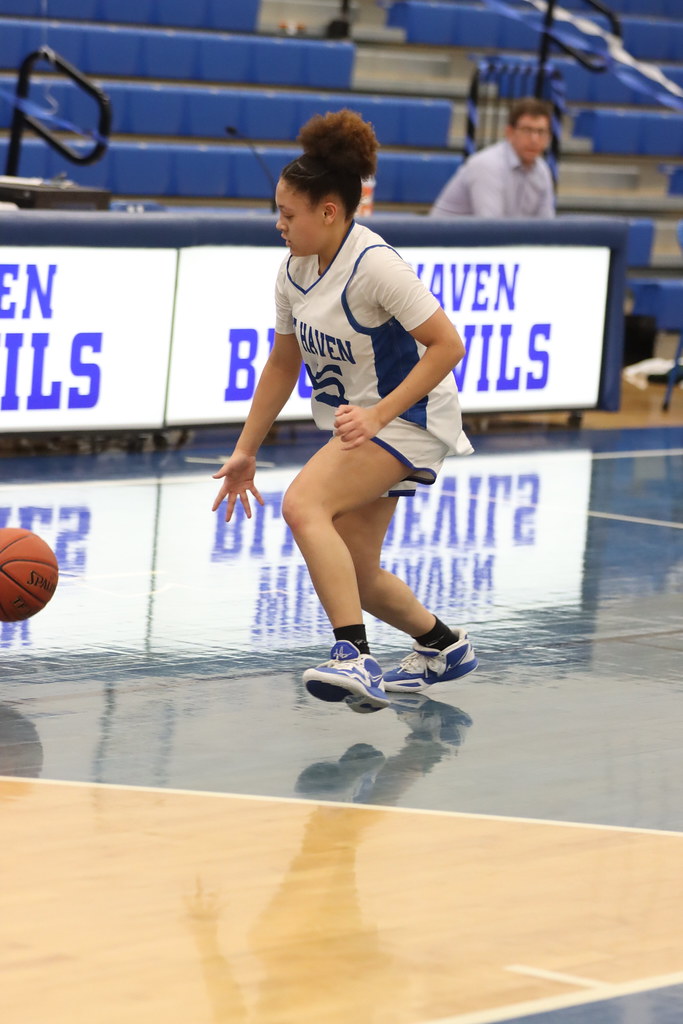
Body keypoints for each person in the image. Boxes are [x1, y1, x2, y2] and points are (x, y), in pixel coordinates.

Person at [212, 109, 477, 714]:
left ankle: (354, 655)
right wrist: (246, 451)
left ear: (328, 211)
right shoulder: (292, 271)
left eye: (287, 213)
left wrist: (381, 414)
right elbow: (283, 364)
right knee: (355, 573)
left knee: (304, 504)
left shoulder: (376, 264)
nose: (278, 223)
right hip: (366, 422)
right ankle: (443, 645)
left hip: (408, 420)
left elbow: (449, 346)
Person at [430, 97, 555, 219]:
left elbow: (546, 228)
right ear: (509, 132)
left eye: (541, 132)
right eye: (527, 130)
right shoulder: (487, 164)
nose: (534, 139)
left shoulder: (542, 170)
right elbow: (491, 230)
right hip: (445, 239)